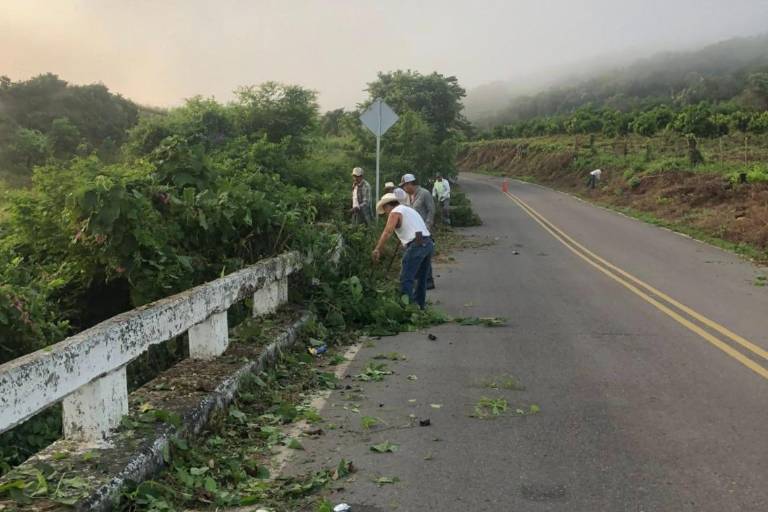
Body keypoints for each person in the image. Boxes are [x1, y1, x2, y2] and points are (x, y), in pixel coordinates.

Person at [372, 193, 434, 309]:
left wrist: (377, 249)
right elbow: (412, 229)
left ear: (387, 206)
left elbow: (387, 231)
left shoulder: (395, 212)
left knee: (406, 278)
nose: (385, 214)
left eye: (385, 210)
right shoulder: (408, 210)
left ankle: (407, 308)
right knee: (421, 278)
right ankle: (420, 306)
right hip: (428, 242)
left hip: (417, 244)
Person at [400, 173, 435, 289]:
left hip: (423, 230)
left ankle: (428, 280)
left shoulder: (424, 193)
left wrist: (427, 227)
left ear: (410, 184)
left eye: (405, 185)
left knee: (424, 255)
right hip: (413, 232)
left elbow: (431, 211)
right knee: (418, 255)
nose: (404, 188)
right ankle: (421, 279)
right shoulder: (408, 196)